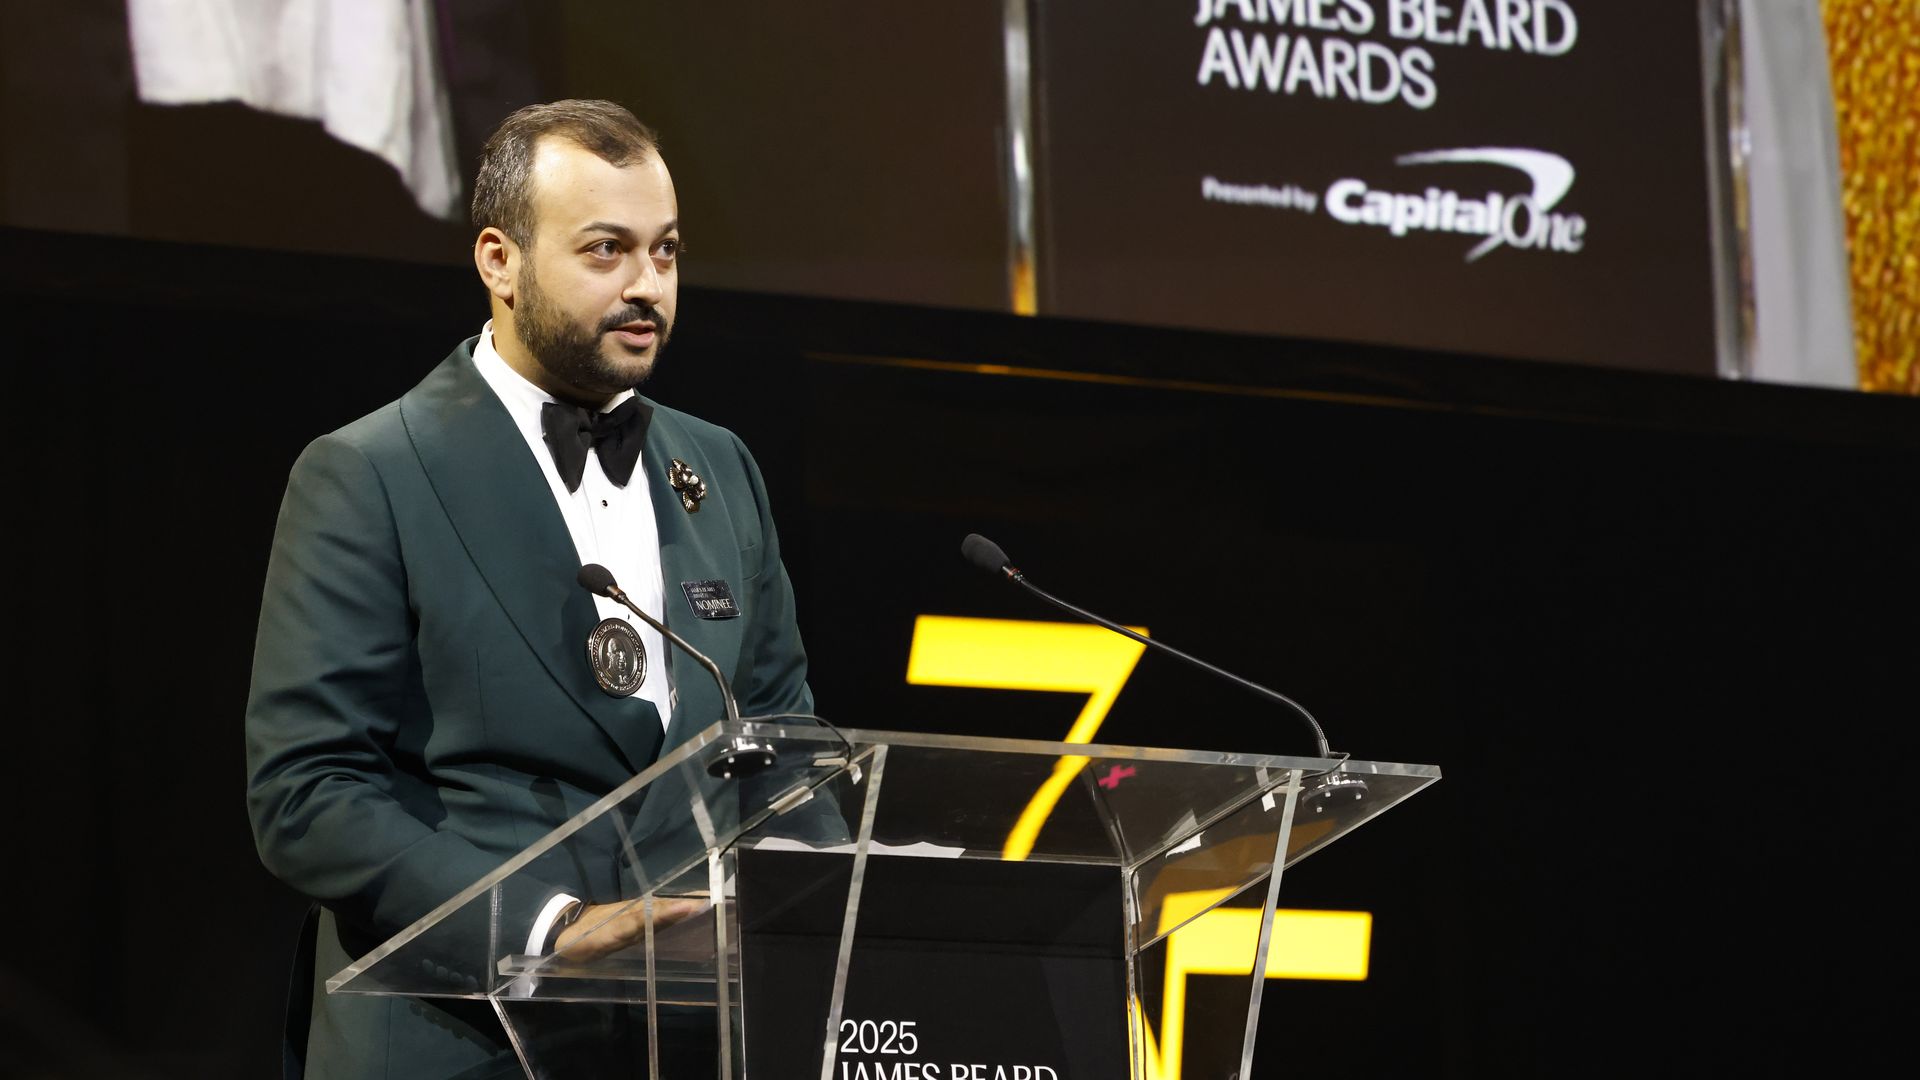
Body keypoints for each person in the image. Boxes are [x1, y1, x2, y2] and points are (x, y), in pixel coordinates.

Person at [245, 99, 814, 1078]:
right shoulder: (370, 472)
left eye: (666, 252)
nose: (648, 287)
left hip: (687, 1042)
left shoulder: (719, 468)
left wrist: (829, 919)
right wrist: (548, 932)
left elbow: (781, 745)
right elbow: (309, 792)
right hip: (455, 1038)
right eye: (606, 251)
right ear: (499, 262)